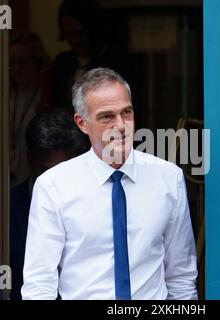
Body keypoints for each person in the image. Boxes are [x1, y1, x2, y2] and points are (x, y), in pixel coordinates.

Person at [22, 68, 198, 300]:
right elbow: (39, 284)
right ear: (82, 123)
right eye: (107, 116)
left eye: (126, 113)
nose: (121, 125)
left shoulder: (168, 178)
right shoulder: (53, 186)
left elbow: (181, 276)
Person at [10, 109, 89, 300]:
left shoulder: (97, 205)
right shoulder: (7, 208)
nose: (54, 182)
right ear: (30, 159)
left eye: (63, 172)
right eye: (46, 171)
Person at [9, 32, 50, 186]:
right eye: (11, 62)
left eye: (23, 62)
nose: (16, 68)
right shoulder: (6, 94)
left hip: (33, 177)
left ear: (37, 62)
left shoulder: (47, 95)